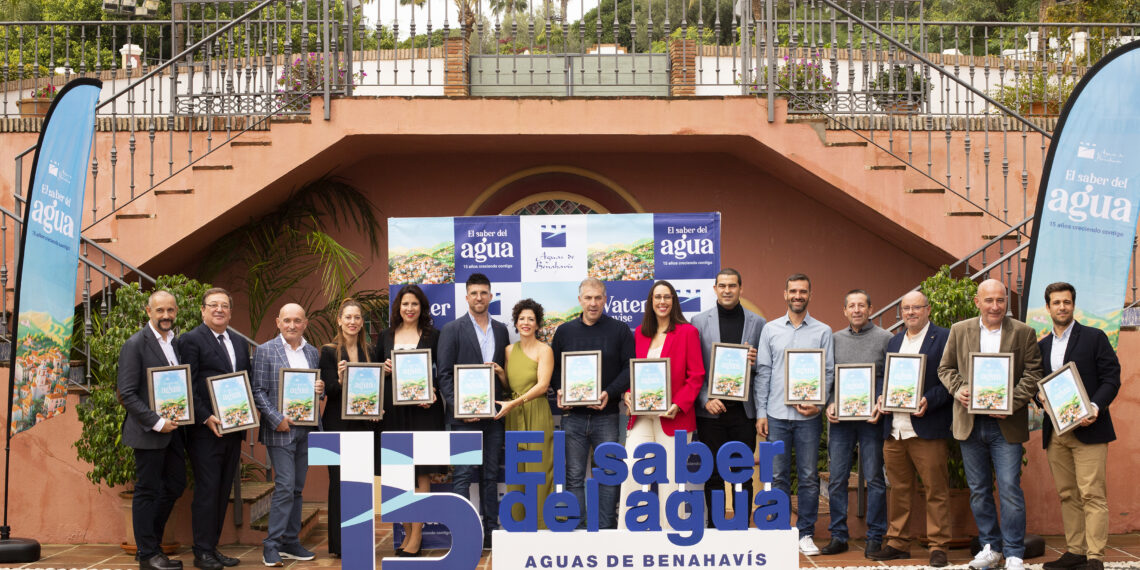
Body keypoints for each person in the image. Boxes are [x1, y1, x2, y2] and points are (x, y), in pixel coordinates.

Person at [937, 279, 1043, 570]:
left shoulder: (1023, 332)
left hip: (1005, 425)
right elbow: (945, 368)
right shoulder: (960, 331)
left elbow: (1033, 374)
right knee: (979, 489)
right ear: (977, 302)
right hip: (970, 424)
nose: (995, 306)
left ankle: (1013, 553)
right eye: (989, 300)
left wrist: (1010, 402)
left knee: (1009, 487)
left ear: (1006, 302)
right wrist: (958, 389)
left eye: (1000, 300)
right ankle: (990, 548)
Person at [1038, 283, 1121, 570]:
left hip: (1090, 429)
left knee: (1092, 494)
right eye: (1056, 302)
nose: (1062, 307)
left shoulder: (1095, 338)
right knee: (1067, 494)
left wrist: (1095, 407)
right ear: (1047, 307)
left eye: (1067, 302)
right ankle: (1075, 551)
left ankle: (1095, 556)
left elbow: (1111, 378)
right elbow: (1040, 388)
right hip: (1057, 433)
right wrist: (1040, 398)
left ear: (1074, 305)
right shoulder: (1042, 346)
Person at [868, 290, 953, 568]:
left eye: (917, 307)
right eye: (906, 308)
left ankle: (938, 545)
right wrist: (882, 396)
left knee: (936, 489)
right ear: (901, 312)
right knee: (899, 488)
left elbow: (951, 381)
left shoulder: (942, 338)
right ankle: (898, 542)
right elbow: (888, 379)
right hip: (895, 429)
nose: (911, 313)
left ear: (928, 309)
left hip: (926, 427)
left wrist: (929, 399)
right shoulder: (894, 341)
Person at [753, 273, 833, 556]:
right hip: (776, 414)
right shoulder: (770, 329)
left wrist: (819, 403)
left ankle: (806, 533)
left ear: (810, 295)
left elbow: (827, 372)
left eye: (803, 291)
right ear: (784, 294)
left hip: (809, 417)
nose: (797, 296)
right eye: (793, 291)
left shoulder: (823, 331)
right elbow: (763, 372)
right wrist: (761, 412)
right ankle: (780, 530)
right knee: (777, 474)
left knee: (809, 475)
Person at [549, 277, 635, 529]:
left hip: (607, 416)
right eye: (588, 298)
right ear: (579, 300)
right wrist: (560, 390)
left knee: (608, 477)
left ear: (605, 299)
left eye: (598, 298)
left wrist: (609, 392)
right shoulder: (565, 331)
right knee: (574, 478)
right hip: (573, 418)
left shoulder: (619, 330)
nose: (593, 303)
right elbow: (554, 370)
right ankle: (577, 530)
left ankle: (605, 531)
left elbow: (629, 368)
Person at [619, 280, 704, 530]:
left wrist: (679, 403)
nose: (662, 302)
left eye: (667, 297)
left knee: (671, 480)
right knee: (632, 471)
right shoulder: (640, 334)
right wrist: (628, 393)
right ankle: (628, 533)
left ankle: (673, 533)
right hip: (643, 417)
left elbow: (696, 375)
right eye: (657, 297)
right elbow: (634, 374)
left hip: (674, 417)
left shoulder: (688, 332)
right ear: (651, 302)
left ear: (674, 301)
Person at [177, 288, 249, 570]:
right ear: (203, 310)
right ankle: (201, 552)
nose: (219, 310)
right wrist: (206, 416)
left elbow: (246, 381)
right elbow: (189, 384)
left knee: (222, 490)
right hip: (206, 431)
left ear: (230, 312)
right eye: (213, 305)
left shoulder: (240, 342)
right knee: (207, 490)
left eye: (224, 306)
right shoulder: (191, 340)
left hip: (234, 427)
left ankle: (213, 547)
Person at [437, 273, 510, 549]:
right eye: (474, 293)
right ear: (466, 297)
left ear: (491, 296)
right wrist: (459, 407)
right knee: (464, 475)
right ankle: (463, 533)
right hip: (463, 419)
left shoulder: (501, 330)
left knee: (490, 475)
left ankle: (491, 533)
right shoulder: (452, 329)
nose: (479, 298)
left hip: (493, 417)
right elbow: (443, 375)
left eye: (484, 293)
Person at [118, 290, 187, 570]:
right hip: (148, 432)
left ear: (176, 312)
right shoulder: (135, 344)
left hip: (174, 431)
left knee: (175, 484)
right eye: (160, 311)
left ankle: (152, 546)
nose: (166, 316)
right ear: (148, 312)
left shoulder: (175, 343)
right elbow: (127, 393)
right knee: (147, 490)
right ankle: (148, 555)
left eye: (170, 310)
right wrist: (158, 422)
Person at [251, 303, 324, 567]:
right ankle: (271, 545)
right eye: (287, 320)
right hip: (280, 429)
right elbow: (257, 390)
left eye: (297, 320)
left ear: (305, 323)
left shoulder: (312, 352)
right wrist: (275, 418)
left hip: (306, 428)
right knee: (284, 486)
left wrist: (320, 388)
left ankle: (291, 542)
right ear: (278, 322)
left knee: (296, 488)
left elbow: (319, 392)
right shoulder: (264, 350)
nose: (292, 325)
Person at [690, 268, 764, 525]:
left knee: (742, 473)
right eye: (722, 285)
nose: (727, 290)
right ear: (714, 289)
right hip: (710, 412)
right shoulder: (698, 322)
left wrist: (756, 361)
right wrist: (704, 399)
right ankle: (715, 527)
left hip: (743, 413)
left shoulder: (758, 323)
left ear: (740, 289)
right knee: (712, 475)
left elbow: (764, 369)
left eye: (732, 285)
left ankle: (742, 526)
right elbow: (694, 369)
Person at [377, 285, 445, 556]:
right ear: (398, 307)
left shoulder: (434, 336)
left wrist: (434, 391)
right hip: (393, 412)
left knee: (421, 473)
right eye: (405, 303)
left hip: (424, 410)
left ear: (422, 307)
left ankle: (417, 535)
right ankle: (406, 531)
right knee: (398, 474)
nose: (409, 308)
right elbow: (373, 374)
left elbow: (442, 371)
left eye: (414, 304)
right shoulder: (385, 336)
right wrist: (382, 369)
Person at [822, 289, 891, 557]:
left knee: (874, 478)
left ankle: (875, 536)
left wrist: (881, 402)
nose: (857, 310)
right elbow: (828, 377)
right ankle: (839, 535)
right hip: (841, 420)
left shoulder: (886, 338)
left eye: (862, 305)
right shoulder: (835, 339)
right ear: (845, 311)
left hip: (872, 418)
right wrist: (828, 403)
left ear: (870, 309)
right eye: (852, 306)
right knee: (837, 478)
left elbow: (891, 376)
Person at [318, 299, 377, 559]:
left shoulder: (370, 351)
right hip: (336, 423)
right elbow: (328, 390)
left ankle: (360, 537)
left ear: (362, 323)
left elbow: (374, 389)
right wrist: (341, 379)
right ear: (339, 321)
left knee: (361, 481)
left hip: (363, 424)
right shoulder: (329, 351)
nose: (352, 322)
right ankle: (340, 545)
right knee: (338, 483)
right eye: (348, 317)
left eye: (357, 318)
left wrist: (377, 408)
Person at [494, 299, 555, 528]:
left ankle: (542, 524)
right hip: (514, 416)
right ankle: (518, 523)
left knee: (539, 471)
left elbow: (542, 386)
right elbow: (511, 385)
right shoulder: (509, 350)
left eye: (531, 319)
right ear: (516, 323)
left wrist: (513, 403)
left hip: (536, 411)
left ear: (538, 324)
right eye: (522, 319)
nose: (526, 323)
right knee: (517, 472)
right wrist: (501, 374)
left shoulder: (545, 350)